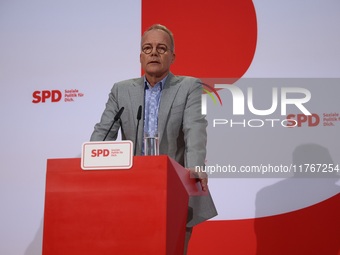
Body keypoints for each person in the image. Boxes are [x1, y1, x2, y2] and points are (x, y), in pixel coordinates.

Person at [90, 24, 217, 254]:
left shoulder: (188, 86)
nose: (154, 53)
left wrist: (196, 165)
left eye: (161, 48)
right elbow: (104, 132)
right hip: (130, 190)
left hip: (176, 191)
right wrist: (87, 163)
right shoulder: (121, 90)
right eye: (147, 48)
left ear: (172, 56)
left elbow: (195, 128)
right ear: (140, 56)